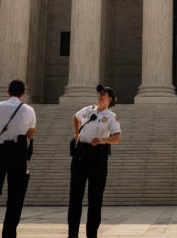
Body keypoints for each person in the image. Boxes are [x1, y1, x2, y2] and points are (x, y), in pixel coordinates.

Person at [0, 79, 37, 238]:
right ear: (23, 94)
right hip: (18, 154)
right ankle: (9, 234)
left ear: (8, 92)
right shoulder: (29, 110)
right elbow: (30, 134)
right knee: (15, 199)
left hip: (0, 153)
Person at [68, 84, 122, 238]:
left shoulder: (112, 117)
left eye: (103, 94)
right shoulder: (87, 110)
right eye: (99, 93)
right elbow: (75, 117)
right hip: (80, 154)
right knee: (75, 197)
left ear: (109, 99)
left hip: (97, 156)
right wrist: (76, 133)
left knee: (95, 199)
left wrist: (102, 140)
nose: (99, 96)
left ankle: (92, 234)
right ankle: (72, 234)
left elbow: (117, 137)